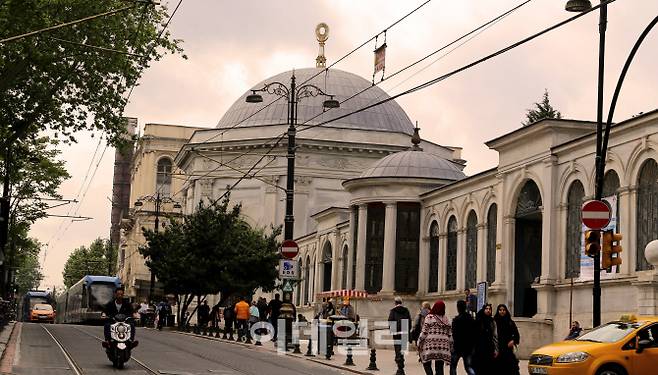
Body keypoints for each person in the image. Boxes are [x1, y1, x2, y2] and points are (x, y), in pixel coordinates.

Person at [417, 300, 452, 375]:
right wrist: (451, 346)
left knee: (426, 363)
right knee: (439, 366)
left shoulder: (429, 317)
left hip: (430, 345)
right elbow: (450, 334)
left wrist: (419, 341)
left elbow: (424, 332)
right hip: (443, 346)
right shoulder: (446, 318)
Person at [450, 300, 476, 375]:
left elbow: (454, 334)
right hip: (468, 347)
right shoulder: (471, 319)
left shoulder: (456, 320)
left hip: (457, 346)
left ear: (458, 308)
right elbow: (474, 333)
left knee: (453, 366)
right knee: (468, 367)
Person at [494, 304, 520, 375]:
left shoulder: (510, 322)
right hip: (497, 348)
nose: (502, 312)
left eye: (503, 310)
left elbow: (516, 334)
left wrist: (513, 341)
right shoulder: (494, 322)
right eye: (500, 310)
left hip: (507, 349)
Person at [388, 296, 412, 371]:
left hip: (396, 329)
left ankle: (398, 357)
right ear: (401, 302)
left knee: (397, 345)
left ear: (395, 303)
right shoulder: (406, 310)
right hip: (404, 328)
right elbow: (409, 320)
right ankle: (401, 357)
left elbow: (391, 320)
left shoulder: (393, 310)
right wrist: (409, 329)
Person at [473, 304, 498, 375]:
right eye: (486, 309)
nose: (488, 310)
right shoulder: (478, 320)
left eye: (490, 309)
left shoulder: (492, 321)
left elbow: (495, 336)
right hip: (479, 349)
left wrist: (496, 349)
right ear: (483, 310)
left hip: (489, 348)